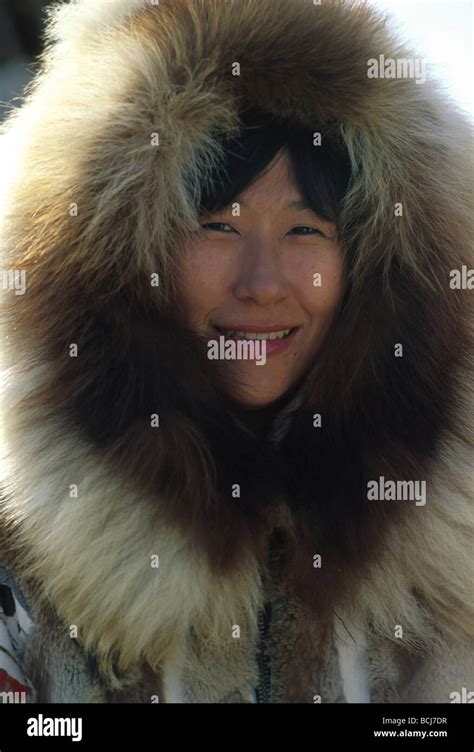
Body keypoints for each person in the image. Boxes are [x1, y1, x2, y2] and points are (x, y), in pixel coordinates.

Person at [0, 0, 472, 703]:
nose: (262, 284)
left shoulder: (447, 586)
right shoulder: (22, 565)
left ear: (376, 265)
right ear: (113, 262)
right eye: (216, 226)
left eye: (307, 231)